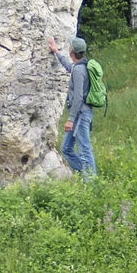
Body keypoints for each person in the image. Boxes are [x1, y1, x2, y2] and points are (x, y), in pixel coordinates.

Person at [49, 36, 96, 180]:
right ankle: (87, 175)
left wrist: (70, 119)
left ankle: (91, 183)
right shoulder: (79, 67)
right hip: (80, 113)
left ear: (71, 51)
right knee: (66, 148)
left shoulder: (78, 70)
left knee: (84, 149)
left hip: (81, 114)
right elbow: (69, 67)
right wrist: (56, 52)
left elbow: (78, 97)